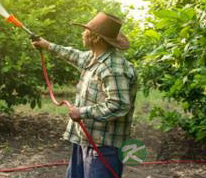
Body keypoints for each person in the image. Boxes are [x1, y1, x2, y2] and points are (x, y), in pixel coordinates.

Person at [32, 12, 138, 178]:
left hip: (103, 146)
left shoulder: (112, 68)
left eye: (86, 30)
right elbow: (74, 55)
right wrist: (46, 45)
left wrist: (82, 112)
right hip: (86, 139)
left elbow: (119, 105)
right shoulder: (94, 57)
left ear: (95, 38)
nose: (83, 33)